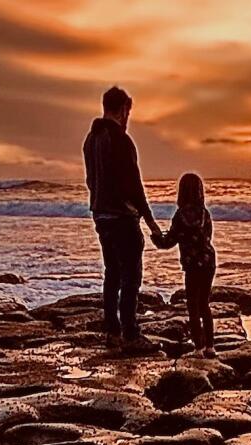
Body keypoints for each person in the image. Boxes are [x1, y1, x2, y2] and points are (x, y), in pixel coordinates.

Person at [83, 86, 162, 349]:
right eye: (128, 112)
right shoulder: (120, 140)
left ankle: (112, 331)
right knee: (130, 276)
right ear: (123, 110)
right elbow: (133, 186)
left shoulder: (91, 140)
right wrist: (150, 221)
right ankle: (130, 334)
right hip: (121, 217)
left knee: (112, 273)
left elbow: (90, 181)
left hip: (100, 215)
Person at [151, 173, 217, 357]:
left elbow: (168, 242)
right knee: (205, 304)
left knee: (193, 305)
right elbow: (208, 237)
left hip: (192, 265)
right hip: (209, 262)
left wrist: (156, 237)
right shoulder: (205, 214)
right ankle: (211, 346)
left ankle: (198, 347)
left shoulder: (180, 216)